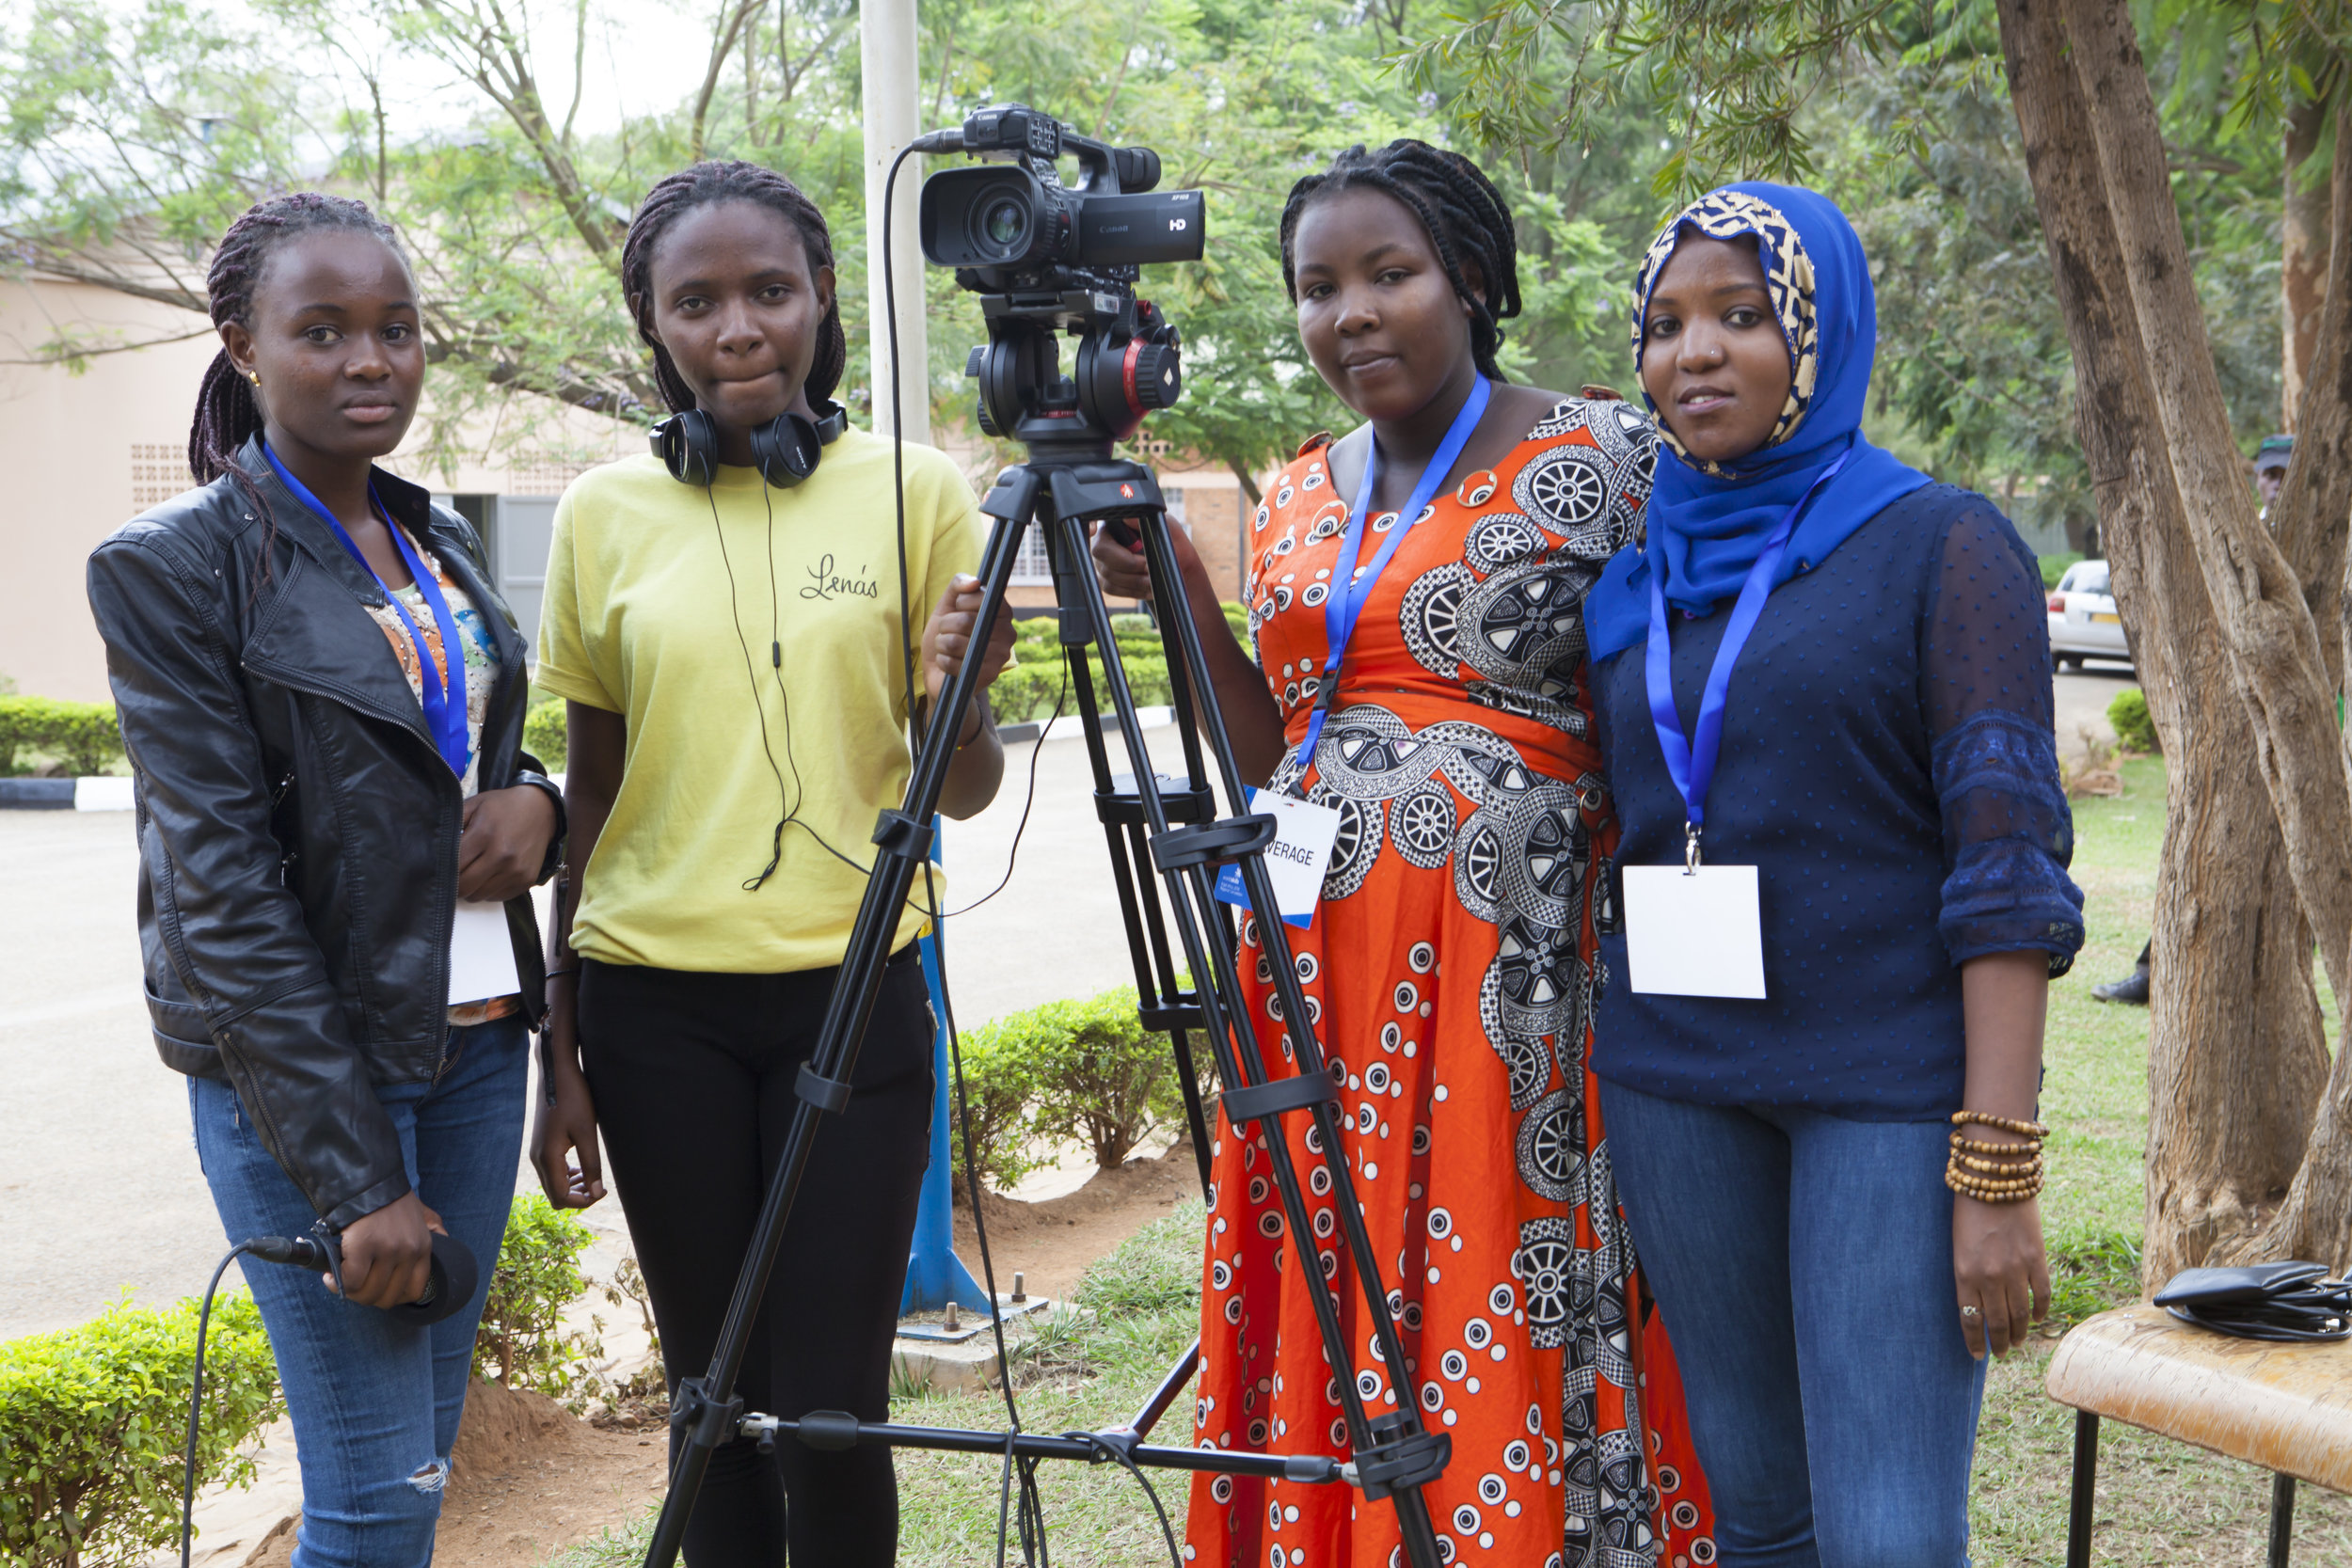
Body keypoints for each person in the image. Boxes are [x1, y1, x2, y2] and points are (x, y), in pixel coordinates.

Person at [1094, 139, 1715, 1568]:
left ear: (1474, 281)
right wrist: (1188, 591)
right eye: (1319, 287)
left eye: (1390, 274)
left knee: (1493, 1245)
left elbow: (1688, 704)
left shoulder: (1608, 457)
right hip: (1315, 966)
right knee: (1332, 1259)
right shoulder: (1301, 491)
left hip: (1515, 976)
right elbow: (1275, 747)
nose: (1351, 314)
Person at [1581, 183, 2084, 1566]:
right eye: (1668, 323)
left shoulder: (1941, 543)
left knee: (1886, 1531)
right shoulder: (1628, 586)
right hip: (1679, 1084)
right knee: (1761, 1515)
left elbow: (2008, 864)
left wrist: (1995, 1164)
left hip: (1885, 1095)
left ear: (1819, 332)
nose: (1696, 354)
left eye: (1743, 316)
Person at [526, 160, 1013, 1567]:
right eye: (698, 300)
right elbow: (595, 787)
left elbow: (964, 790)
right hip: (650, 1007)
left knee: (832, 1408)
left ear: (819, 306)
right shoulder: (600, 516)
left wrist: (956, 701)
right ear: (655, 327)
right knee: (713, 1397)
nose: (738, 327)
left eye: (769, 292)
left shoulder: (920, 492)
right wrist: (565, 1039)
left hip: (852, 995)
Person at [87, 193, 561, 1568]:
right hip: (314, 1084)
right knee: (369, 1503)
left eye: (397, 329)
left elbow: (473, 762)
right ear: (242, 344)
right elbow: (220, 893)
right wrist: (354, 1182)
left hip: (476, 1052)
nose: (372, 359)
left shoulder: (435, 543)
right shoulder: (171, 568)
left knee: (414, 1474)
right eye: (326, 330)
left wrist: (549, 802)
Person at [2092, 430, 2295, 1005]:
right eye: (2270, 473)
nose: (2276, 484)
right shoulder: (2233, 533)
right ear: (2256, 476)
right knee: (2196, 843)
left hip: (2303, 733)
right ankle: (2154, 970)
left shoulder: (2325, 539)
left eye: (2286, 474)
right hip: (2228, 727)